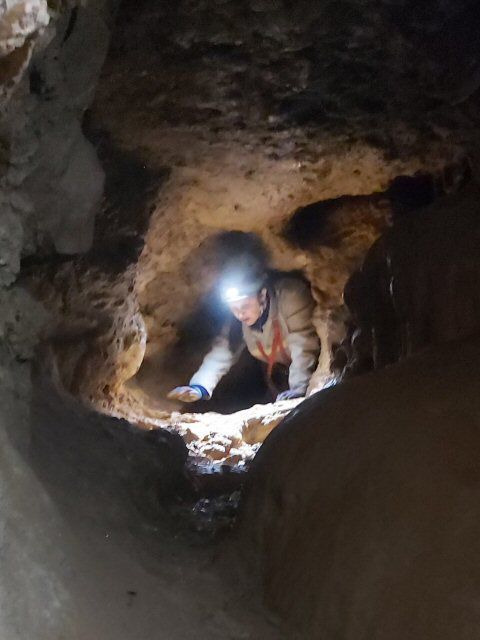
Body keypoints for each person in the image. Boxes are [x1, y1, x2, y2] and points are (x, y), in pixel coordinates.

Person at [168, 263, 320, 404]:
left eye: (245, 305)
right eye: (233, 308)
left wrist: (299, 388)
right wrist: (199, 387)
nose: (240, 314)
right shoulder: (238, 322)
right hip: (280, 376)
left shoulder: (290, 297)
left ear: (262, 295)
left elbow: (303, 343)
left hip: (312, 369)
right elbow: (222, 352)